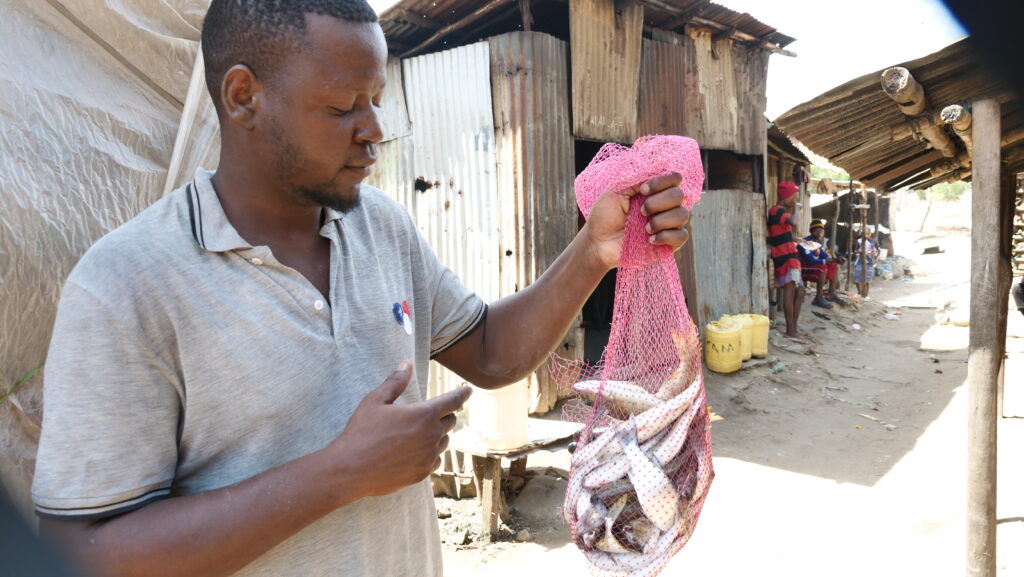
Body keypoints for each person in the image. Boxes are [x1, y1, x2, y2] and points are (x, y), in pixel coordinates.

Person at [30, 3, 693, 577]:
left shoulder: (381, 227)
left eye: (375, 98)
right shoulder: (126, 286)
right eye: (342, 106)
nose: (373, 127)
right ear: (243, 97)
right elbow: (81, 552)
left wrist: (594, 249)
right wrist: (340, 473)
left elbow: (492, 352)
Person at [768, 181, 805, 341]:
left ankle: (793, 328)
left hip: (788, 256)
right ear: (785, 196)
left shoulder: (776, 211)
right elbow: (794, 221)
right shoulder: (779, 210)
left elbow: (779, 233)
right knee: (791, 291)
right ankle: (791, 330)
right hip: (787, 258)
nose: (795, 200)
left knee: (800, 291)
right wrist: (797, 209)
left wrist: (792, 239)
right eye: (793, 197)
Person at [854, 226, 881, 298]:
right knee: (857, 279)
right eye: (865, 234)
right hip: (860, 262)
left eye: (868, 233)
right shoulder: (859, 241)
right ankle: (859, 292)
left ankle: (866, 295)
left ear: (870, 233)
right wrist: (860, 251)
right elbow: (855, 251)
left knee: (868, 280)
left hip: (870, 262)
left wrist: (875, 257)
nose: (866, 235)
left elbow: (878, 250)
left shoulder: (874, 241)